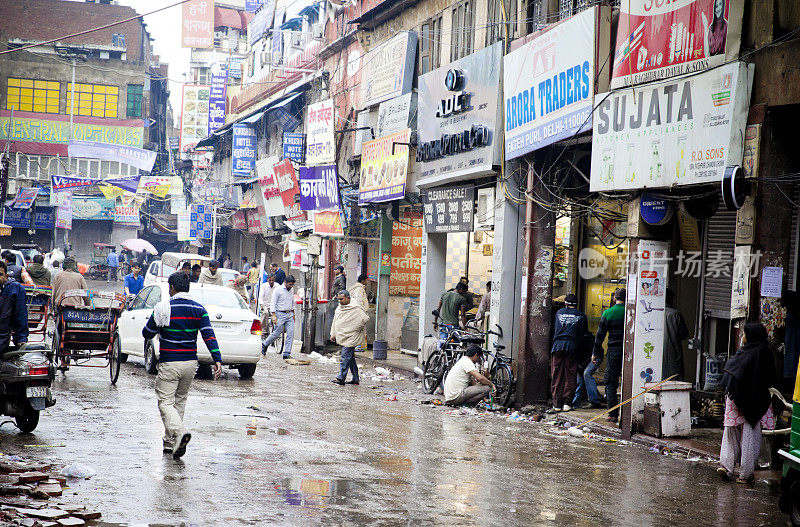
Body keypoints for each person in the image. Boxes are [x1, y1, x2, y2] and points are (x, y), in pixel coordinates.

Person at [142, 272, 222, 459]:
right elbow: (209, 335)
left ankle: (180, 433)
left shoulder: (163, 308)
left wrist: (157, 325)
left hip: (170, 362)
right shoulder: (199, 309)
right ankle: (170, 444)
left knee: (165, 403)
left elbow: (147, 333)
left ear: (171, 288)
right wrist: (217, 358)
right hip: (190, 364)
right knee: (179, 402)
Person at [717, 322, 776, 483]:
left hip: (746, 400)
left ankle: (737, 470)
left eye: (744, 334)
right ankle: (736, 471)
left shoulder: (755, 353)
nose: (742, 337)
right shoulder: (757, 352)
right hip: (747, 400)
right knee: (742, 434)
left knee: (740, 434)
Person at [549, 293, 588, 413]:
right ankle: (567, 403)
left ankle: (556, 404)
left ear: (565, 303)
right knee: (570, 375)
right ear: (576, 305)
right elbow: (583, 335)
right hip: (572, 347)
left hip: (558, 346)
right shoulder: (581, 315)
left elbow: (554, 329)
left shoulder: (559, 313)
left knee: (557, 375)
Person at [593, 288, 626, 423]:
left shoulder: (608, 313)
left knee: (610, 382)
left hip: (613, 351)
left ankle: (613, 414)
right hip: (629, 351)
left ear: (614, 299)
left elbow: (599, 336)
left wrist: (595, 353)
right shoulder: (631, 312)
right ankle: (628, 413)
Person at [330, 289, 369, 386]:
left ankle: (341, 378)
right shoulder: (339, 308)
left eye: (342, 299)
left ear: (348, 298)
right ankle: (355, 378)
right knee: (350, 358)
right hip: (342, 335)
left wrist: (355, 329)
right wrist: (333, 334)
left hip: (351, 336)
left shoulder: (355, 308)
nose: (340, 301)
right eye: (338, 299)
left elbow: (364, 319)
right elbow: (335, 321)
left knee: (345, 357)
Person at [262, 275, 296, 359]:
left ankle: (286, 353)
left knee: (290, 333)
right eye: (290, 285)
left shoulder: (291, 290)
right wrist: (273, 315)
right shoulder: (278, 290)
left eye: (292, 285)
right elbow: (273, 303)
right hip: (279, 314)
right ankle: (265, 344)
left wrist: (293, 313)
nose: (291, 286)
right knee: (277, 333)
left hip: (289, 314)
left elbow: (292, 302)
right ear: (285, 282)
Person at [0, 260, 29, 353]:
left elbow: (20, 315)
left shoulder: (14, 289)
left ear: (6, 276)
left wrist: (21, 339)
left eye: (0, 274)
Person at [663, 288, 690, 381]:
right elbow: (684, 335)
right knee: (674, 379)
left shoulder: (653, 313)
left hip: (655, 352)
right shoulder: (676, 314)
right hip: (673, 353)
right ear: (671, 299)